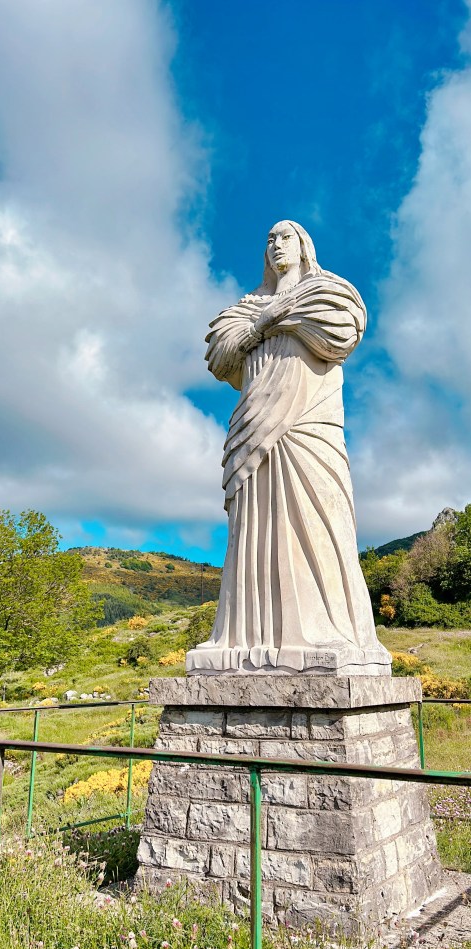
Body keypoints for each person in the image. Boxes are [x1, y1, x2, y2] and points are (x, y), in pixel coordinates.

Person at [186, 220, 391, 675]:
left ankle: (331, 631)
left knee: (322, 521)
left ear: (304, 246)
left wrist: (267, 322)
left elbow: (341, 327)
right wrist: (269, 317)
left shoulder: (329, 291)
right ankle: (245, 638)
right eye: (270, 238)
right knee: (255, 529)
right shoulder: (248, 306)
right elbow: (222, 353)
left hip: (310, 426)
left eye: (286, 237)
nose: (277, 244)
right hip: (256, 427)